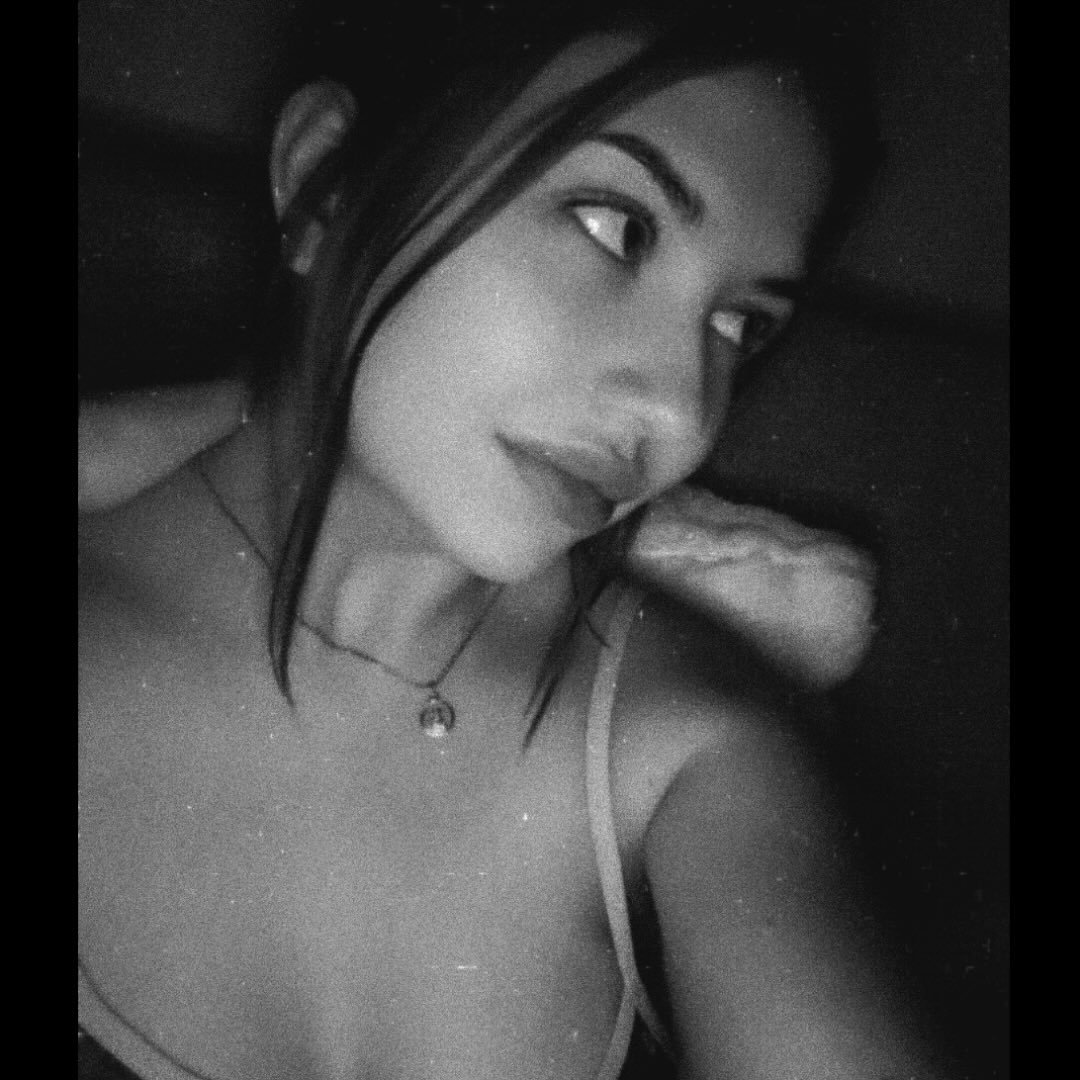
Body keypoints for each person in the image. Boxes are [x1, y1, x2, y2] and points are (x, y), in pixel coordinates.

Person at [79, 2, 950, 1076]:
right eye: (615, 228)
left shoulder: (690, 746)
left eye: (739, 325)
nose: (679, 411)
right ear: (324, 180)